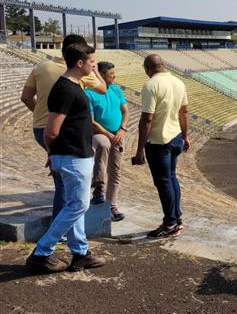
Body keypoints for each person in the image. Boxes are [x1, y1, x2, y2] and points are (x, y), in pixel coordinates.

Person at [26, 43, 106, 273]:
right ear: (79, 64)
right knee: (79, 204)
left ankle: (80, 253)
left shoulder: (73, 85)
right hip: (72, 156)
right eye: (91, 61)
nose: (94, 65)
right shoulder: (65, 89)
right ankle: (42, 252)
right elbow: (51, 131)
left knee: (75, 205)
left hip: (76, 154)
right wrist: (54, 154)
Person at [133, 54, 190, 238]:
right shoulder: (178, 82)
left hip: (159, 141)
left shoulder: (151, 85)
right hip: (175, 137)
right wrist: (185, 136)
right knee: (172, 178)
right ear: (163, 65)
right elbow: (184, 112)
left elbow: (147, 119)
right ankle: (177, 218)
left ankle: (170, 223)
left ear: (147, 68)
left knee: (163, 181)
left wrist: (140, 149)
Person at [85, 61, 129, 221]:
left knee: (116, 170)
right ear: (101, 75)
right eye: (111, 75)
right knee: (103, 145)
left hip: (117, 133)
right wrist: (109, 135)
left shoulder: (116, 90)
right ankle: (98, 189)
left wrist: (122, 129)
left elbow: (125, 111)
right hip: (98, 132)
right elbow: (91, 121)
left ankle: (112, 205)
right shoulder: (89, 93)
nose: (115, 77)